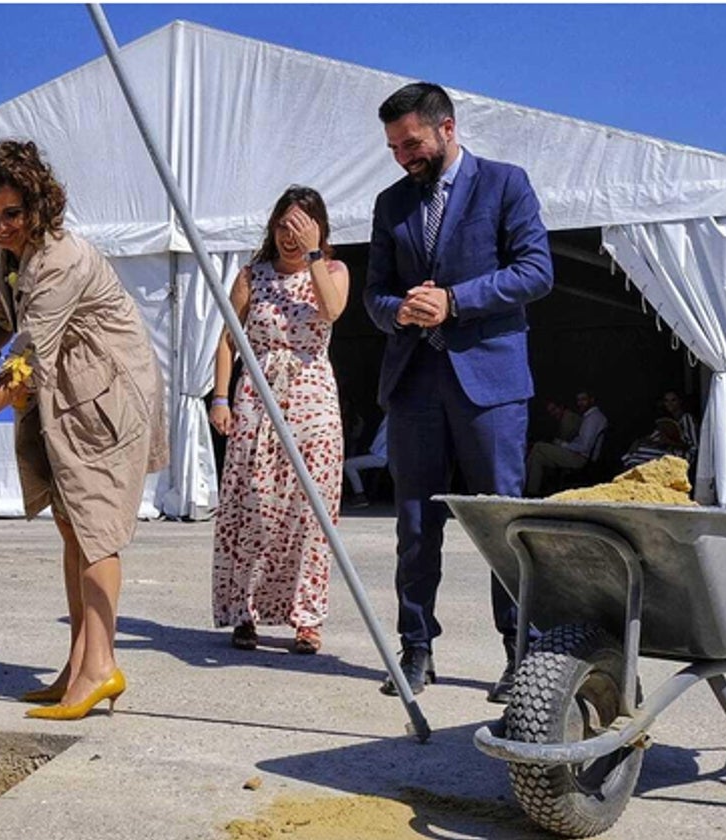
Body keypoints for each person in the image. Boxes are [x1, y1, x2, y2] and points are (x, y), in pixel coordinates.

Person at [0, 140, 167, 721]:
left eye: (12, 214)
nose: (1, 226)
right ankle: (79, 664)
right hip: (65, 392)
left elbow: (21, 374)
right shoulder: (7, 253)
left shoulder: (59, 262)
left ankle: (102, 668)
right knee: (72, 528)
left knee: (95, 531)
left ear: (37, 207)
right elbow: (0, 321)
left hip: (107, 398)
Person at [362, 82, 553, 702]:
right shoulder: (391, 204)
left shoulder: (505, 184)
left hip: (489, 384)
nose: (402, 157)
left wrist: (454, 301)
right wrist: (401, 313)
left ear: (447, 128)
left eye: (411, 143)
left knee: (504, 524)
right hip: (415, 384)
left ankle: (519, 655)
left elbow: (536, 272)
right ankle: (416, 648)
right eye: (393, 147)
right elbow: (375, 295)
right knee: (415, 525)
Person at [209, 186, 350, 655]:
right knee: (254, 503)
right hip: (257, 396)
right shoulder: (253, 275)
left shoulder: (332, 270)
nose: (289, 236)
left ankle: (306, 618)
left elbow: (332, 311)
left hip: (312, 398)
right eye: (283, 226)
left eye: (301, 227)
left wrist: (313, 254)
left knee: (311, 510)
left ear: (318, 229)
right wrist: (220, 398)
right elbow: (229, 340)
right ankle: (245, 613)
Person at [524, 390, 607, 497]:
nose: (580, 403)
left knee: (538, 446)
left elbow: (584, 446)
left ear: (592, 400)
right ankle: (531, 491)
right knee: (538, 457)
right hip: (579, 454)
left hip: (580, 458)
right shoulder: (590, 417)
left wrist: (563, 445)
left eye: (583, 400)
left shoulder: (592, 418)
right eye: (578, 400)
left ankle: (523, 483)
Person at [620, 390, 698, 468]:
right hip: (668, 450)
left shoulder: (687, 418)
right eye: (666, 401)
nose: (669, 404)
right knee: (637, 450)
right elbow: (654, 437)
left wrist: (670, 442)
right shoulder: (667, 419)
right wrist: (639, 441)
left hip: (683, 454)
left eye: (673, 400)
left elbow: (692, 446)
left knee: (643, 454)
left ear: (680, 401)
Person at [344, 414, 388, 508]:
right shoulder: (389, 418)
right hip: (380, 454)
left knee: (348, 464)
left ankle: (360, 495)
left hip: (383, 457)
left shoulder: (393, 418)